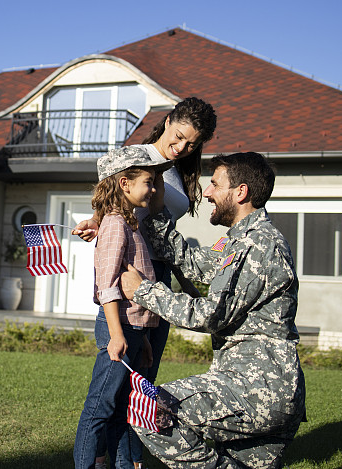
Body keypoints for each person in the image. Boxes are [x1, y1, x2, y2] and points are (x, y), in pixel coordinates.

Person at [120, 152, 306, 468]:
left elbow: (209, 314)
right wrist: (157, 210)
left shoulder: (257, 245)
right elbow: (192, 262)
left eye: (215, 185)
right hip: (259, 388)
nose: (206, 192)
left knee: (148, 409)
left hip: (256, 389)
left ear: (241, 192)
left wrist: (143, 292)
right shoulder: (240, 241)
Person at [74, 97, 217, 468]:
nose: (184, 147)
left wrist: (187, 283)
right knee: (114, 385)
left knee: (143, 382)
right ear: (168, 121)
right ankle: (104, 455)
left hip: (159, 279)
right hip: (128, 276)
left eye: (193, 144)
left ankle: (130, 460)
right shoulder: (134, 159)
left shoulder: (177, 172)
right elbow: (107, 205)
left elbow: (167, 236)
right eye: (181, 136)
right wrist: (97, 223)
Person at [74, 146, 170, 469]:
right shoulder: (115, 224)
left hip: (131, 329)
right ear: (125, 184)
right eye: (149, 182)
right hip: (118, 328)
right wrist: (118, 334)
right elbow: (108, 285)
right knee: (99, 406)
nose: (154, 189)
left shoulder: (129, 224)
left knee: (120, 407)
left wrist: (140, 335)